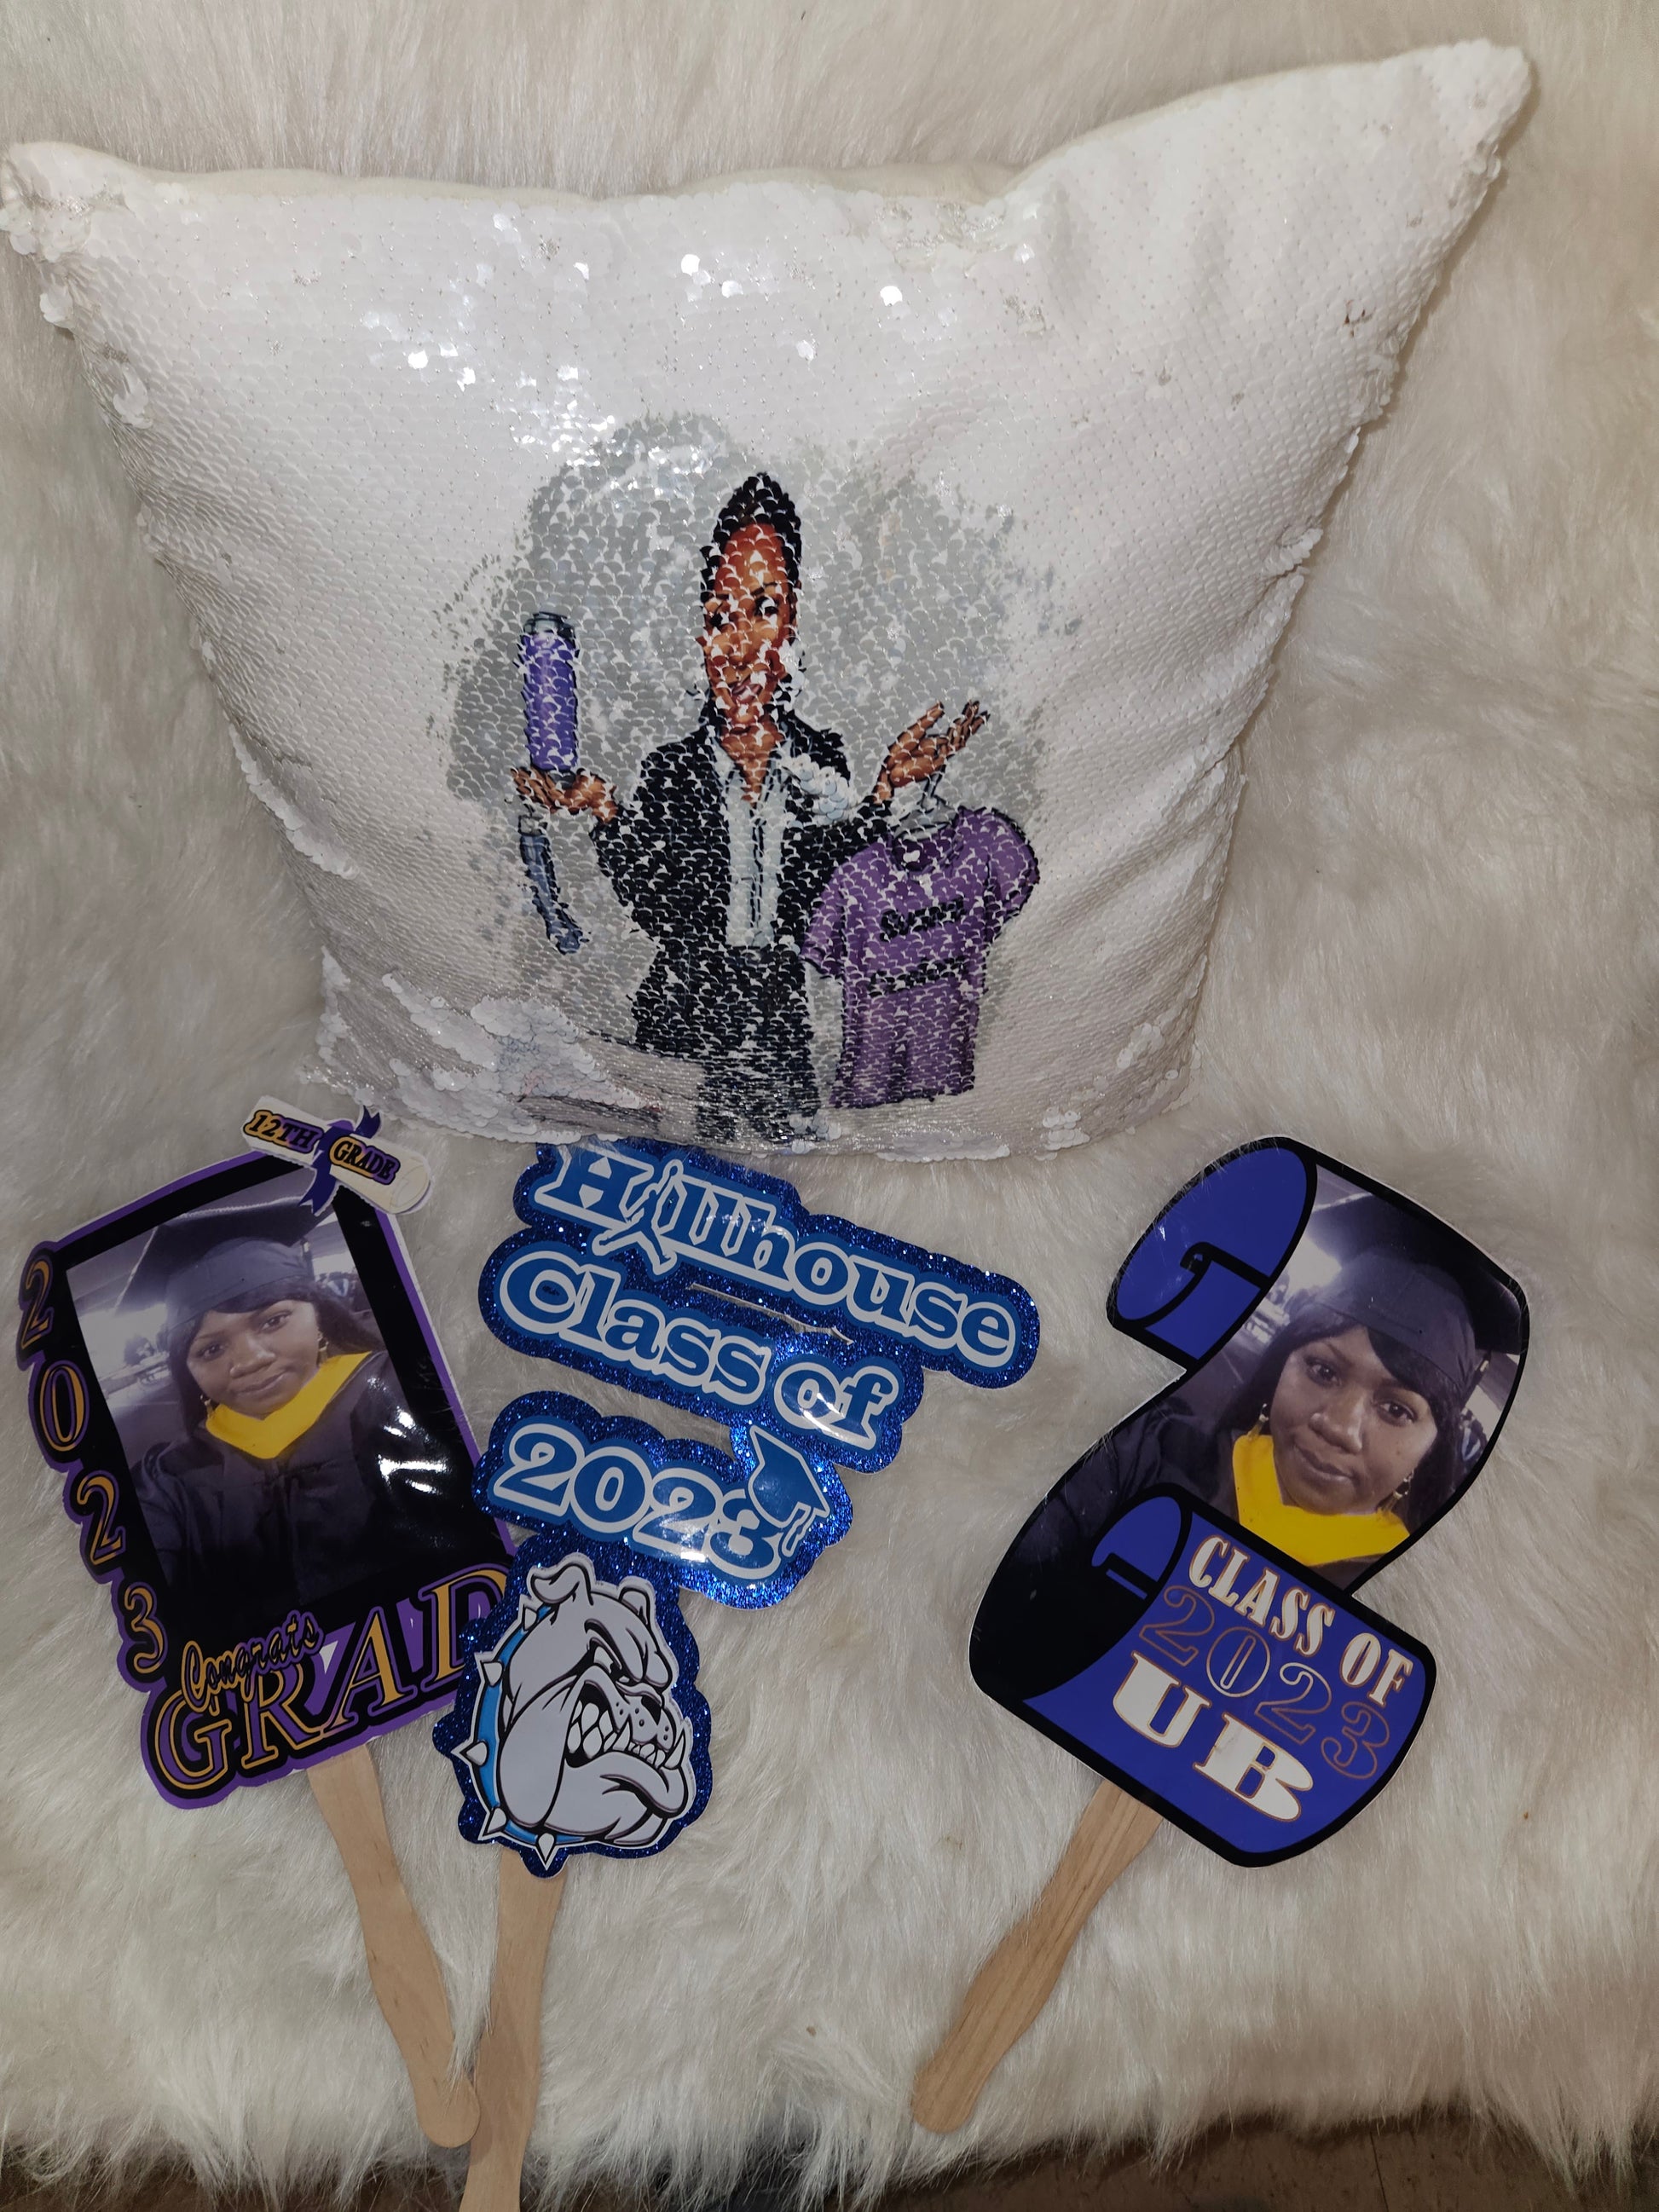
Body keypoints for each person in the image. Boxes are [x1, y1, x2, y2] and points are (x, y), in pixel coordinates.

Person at [514, 471, 985, 1141]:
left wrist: (884, 795)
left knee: (780, 1154)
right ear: (702, 640)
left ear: (791, 625)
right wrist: (605, 809)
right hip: (679, 1020)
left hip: (776, 1032)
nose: (738, 647)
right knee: (664, 1156)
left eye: (763, 610)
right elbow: (663, 908)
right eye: (719, 619)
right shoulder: (672, 770)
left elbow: (823, 900)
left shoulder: (819, 760)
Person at [974, 1244, 1494, 1701]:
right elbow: (1004, 1553)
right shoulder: (1149, 1451)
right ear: (1281, 1366)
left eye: (1396, 1410)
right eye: (1323, 1370)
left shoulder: (1402, 1615)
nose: (1339, 1426)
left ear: (1432, 1448)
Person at [125, 1202, 491, 1646]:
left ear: (317, 1314)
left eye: (273, 1321)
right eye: (211, 1350)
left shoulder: (407, 1386)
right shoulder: (166, 1481)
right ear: (189, 1370)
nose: (250, 1360)